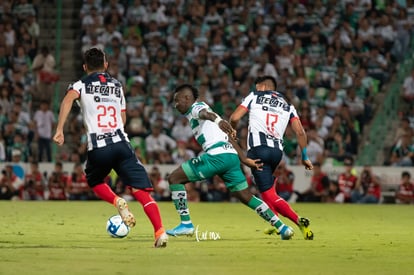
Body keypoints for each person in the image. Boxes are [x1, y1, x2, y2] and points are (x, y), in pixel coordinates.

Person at [53, 48, 168, 248]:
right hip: (122, 143)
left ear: (84, 67)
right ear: (106, 65)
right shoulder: (117, 85)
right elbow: (122, 118)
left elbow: (67, 100)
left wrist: (60, 129)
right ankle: (160, 232)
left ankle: (117, 201)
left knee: (95, 180)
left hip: (99, 146)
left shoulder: (80, 84)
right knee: (141, 191)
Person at [166, 84, 294, 240]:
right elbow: (228, 137)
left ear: (187, 98)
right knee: (246, 196)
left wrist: (219, 120)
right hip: (230, 157)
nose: (175, 104)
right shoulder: (203, 109)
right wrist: (244, 159)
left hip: (216, 156)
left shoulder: (196, 108)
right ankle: (282, 227)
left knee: (174, 178)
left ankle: (186, 224)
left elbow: (205, 114)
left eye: (177, 100)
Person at [230, 75, 314, 240]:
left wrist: (232, 132)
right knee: (268, 190)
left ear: (262, 86)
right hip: (276, 153)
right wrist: (304, 156)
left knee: (268, 195)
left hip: (258, 150)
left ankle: (298, 222)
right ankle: (275, 224)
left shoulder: (255, 96)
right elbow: (300, 132)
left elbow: (234, 117)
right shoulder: (288, 105)